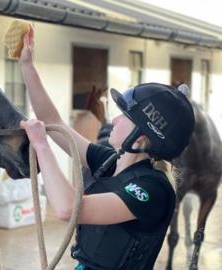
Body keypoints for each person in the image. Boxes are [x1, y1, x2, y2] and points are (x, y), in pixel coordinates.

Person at [18, 25, 195, 270]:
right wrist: (27, 66)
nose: (114, 120)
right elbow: (53, 122)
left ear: (141, 137)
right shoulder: (110, 161)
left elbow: (68, 209)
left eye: (124, 117)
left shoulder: (153, 190)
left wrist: (41, 145)